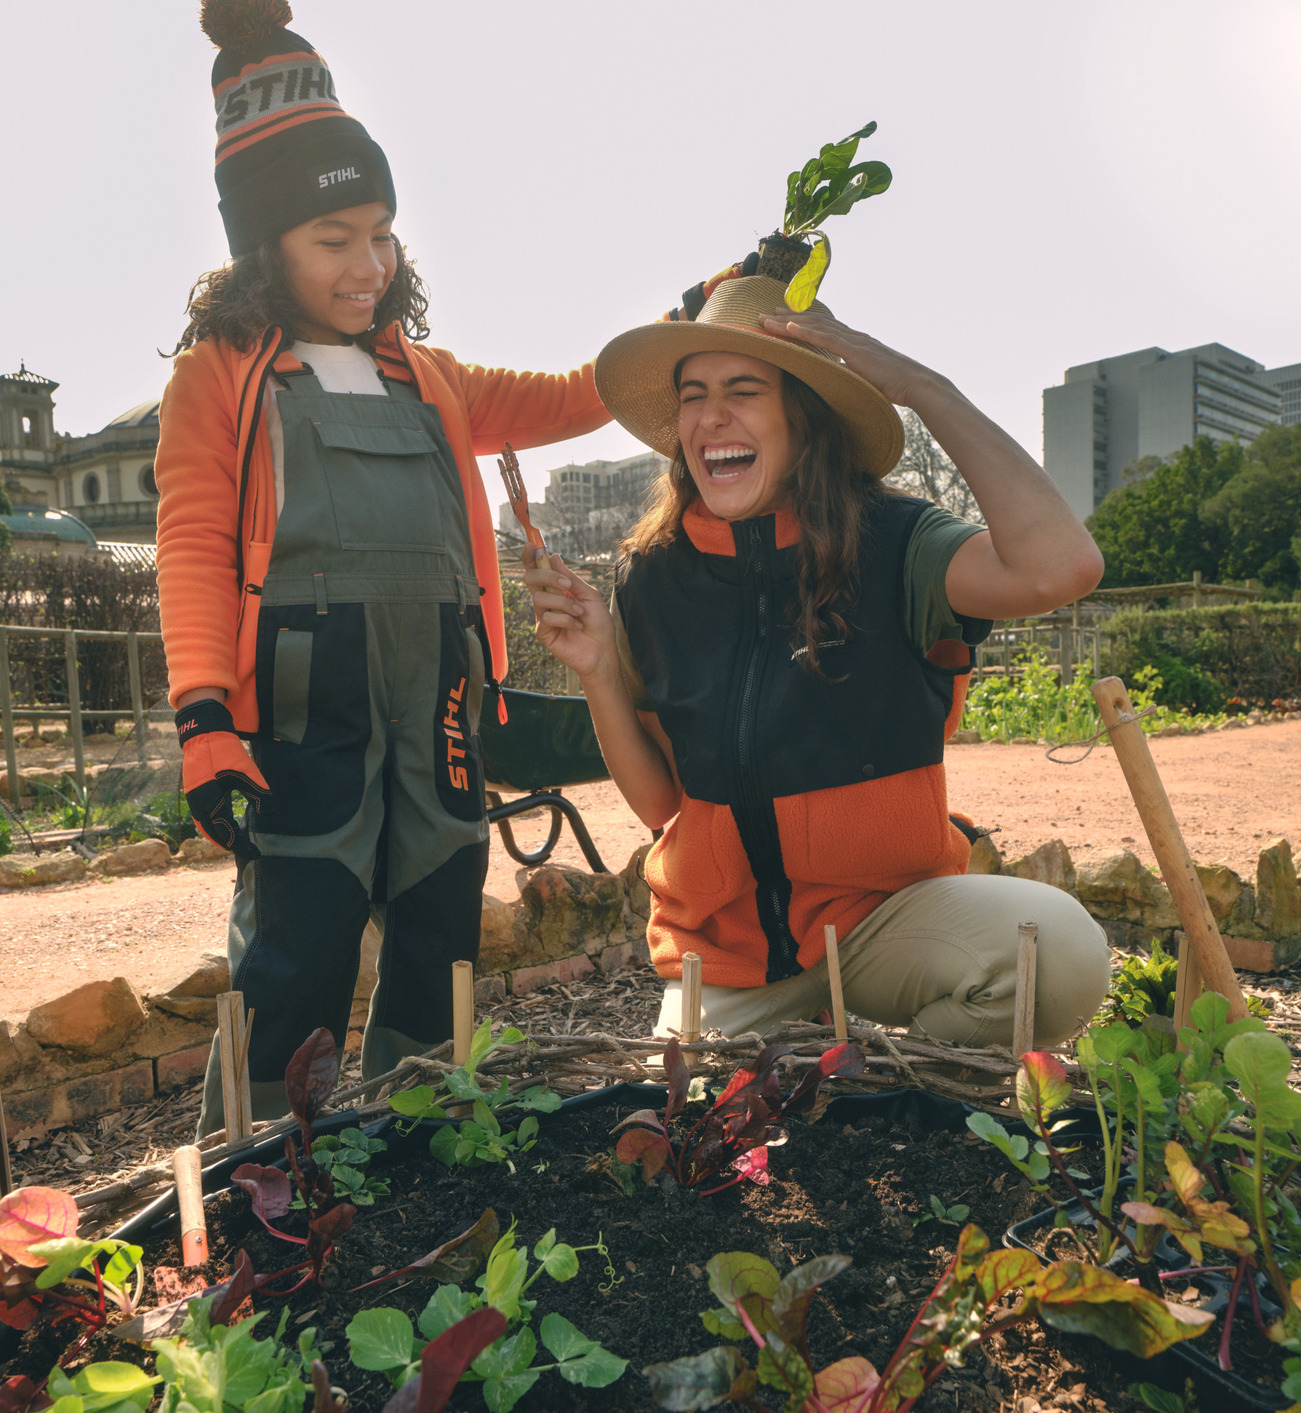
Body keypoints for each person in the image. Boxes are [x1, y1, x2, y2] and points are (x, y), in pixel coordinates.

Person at [156, 0, 608, 1132]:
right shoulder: (220, 376)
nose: (370, 266)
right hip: (309, 695)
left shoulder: (431, 375)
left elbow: (576, 395)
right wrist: (205, 717)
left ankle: (424, 1127)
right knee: (301, 930)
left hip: (442, 692)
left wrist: (700, 312)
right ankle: (257, 1159)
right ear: (266, 248)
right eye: (334, 241)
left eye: (382, 233)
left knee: (439, 915)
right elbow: (195, 548)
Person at [524, 272, 1112, 1049]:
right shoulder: (652, 575)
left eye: (743, 389)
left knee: (1059, 953)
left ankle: (895, 1082)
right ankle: (819, 1064)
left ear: (809, 416)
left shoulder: (902, 543)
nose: (710, 417)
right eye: (693, 394)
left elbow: (1060, 567)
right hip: (727, 954)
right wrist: (599, 668)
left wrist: (925, 389)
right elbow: (666, 808)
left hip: (882, 918)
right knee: (694, 1126)